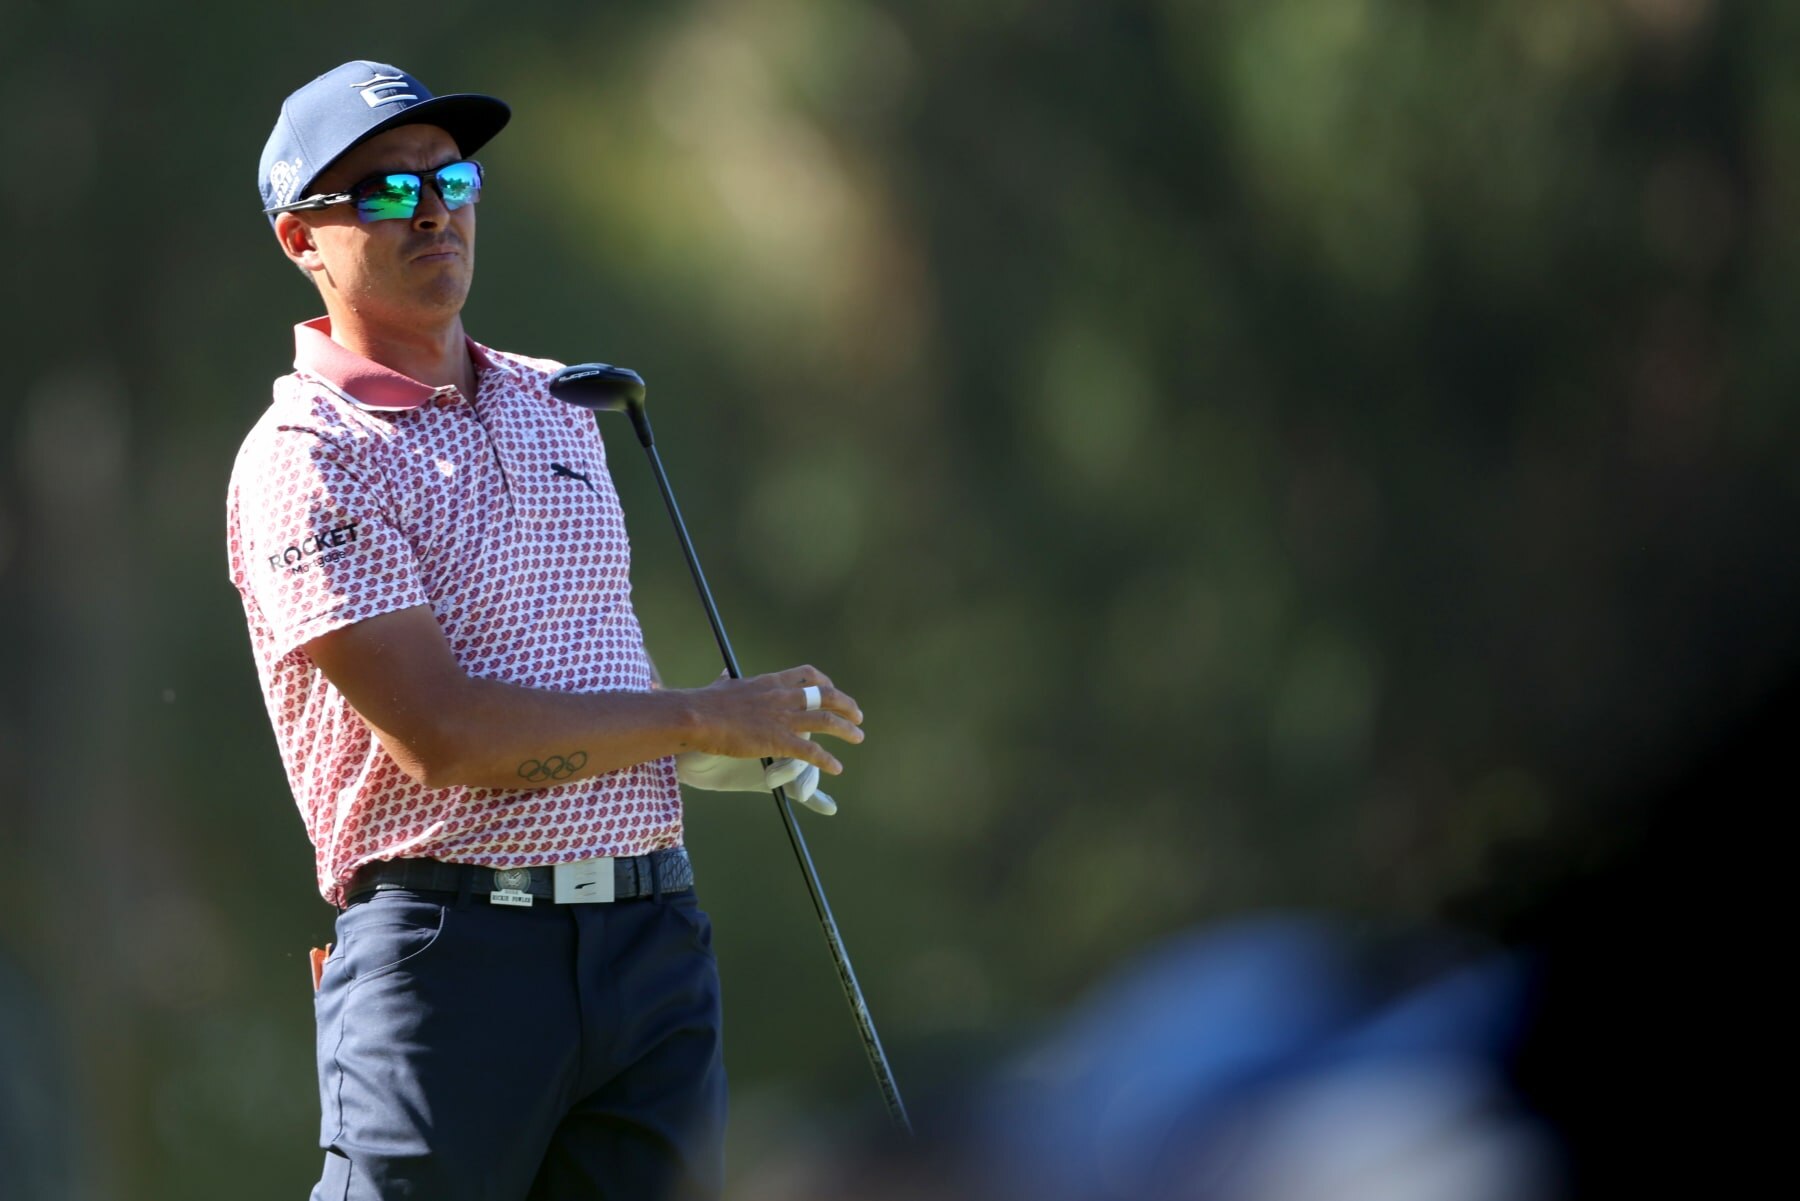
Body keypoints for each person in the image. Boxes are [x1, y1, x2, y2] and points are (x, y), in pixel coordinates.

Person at [227, 60, 864, 1201]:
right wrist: (699, 717)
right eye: (381, 192)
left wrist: (706, 754)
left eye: (451, 177)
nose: (430, 209)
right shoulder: (306, 455)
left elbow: (572, 661)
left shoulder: (560, 398)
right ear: (299, 240)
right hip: (450, 963)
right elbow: (446, 736)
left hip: (650, 938)